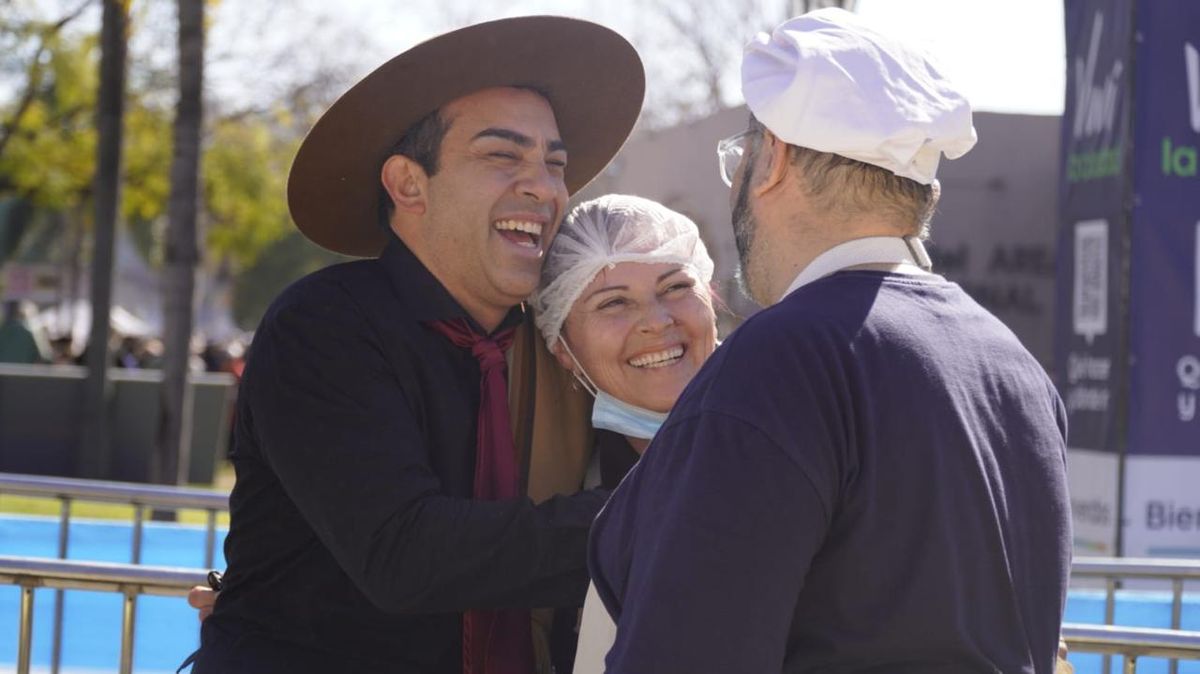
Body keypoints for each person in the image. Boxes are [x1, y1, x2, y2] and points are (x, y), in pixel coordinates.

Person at [588, 9, 1072, 674]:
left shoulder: (779, 361)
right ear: (920, 186)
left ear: (773, 160)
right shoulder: (1012, 365)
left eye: (743, 155)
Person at [186, 16, 644, 674]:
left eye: (554, 163)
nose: (543, 187)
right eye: (502, 155)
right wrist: (657, 514)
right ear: (406, 184)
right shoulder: (323, 326)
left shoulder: (559, 347)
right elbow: (406, 556)